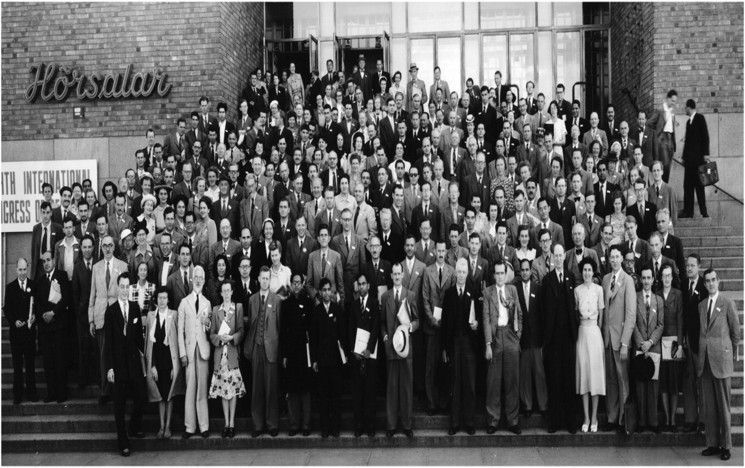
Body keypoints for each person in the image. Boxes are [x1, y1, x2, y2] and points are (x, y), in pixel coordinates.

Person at [697, 268, 740, 461]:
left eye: (714, 280)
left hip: (721, 360)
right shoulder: (702, 305)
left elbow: (735, 332)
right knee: (710, 406)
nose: (711, 283)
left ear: (718, 281)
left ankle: (726, 445)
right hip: (706, 360)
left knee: (723, 405)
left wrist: (728, 353)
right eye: (707, 281)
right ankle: (713, 443)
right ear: (704, 284)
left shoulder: (727, 302)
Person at [103, 273, 146, 457]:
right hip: (118, 365)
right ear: (117, 287)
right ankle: (123, 441)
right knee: (119, 405)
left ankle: (134, 426)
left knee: (141, 397)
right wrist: (110, 368)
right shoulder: (111, 311)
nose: (124, 290)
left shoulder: (135, 308)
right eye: (122, 286)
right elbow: (109, 343)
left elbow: (138, 339)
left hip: (134, 364)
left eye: (128, 286)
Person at [540, 244, 579, 433]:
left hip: (569, 337)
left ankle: (571, 422)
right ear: (551, 258)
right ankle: (554, 422)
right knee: (554, 379)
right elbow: (542, 309)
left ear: (564, 256)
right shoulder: (547, 280)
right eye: (554, 255)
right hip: (553, 339)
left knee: (569, 379)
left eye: (560, 255)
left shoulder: (571, 277)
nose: (557, 258)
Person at [381, 262, 419, 439]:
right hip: (390, 349)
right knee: (391, 388)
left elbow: (417, 320)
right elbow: (382, 322)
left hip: (406, 349)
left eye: (399, 274)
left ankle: (407, 424)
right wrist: (384, 335)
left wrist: (411, 326)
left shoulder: (410, 296)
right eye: (394, 274)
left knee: (405, 388)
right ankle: (391, 425)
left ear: (403, 275)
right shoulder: (385, 297)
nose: (396, 277)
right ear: (391, 276)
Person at [442, 258, 480, 435]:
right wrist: (445, 348)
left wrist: (476, 325)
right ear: (455, 273)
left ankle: (470, 422)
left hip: (469, 343)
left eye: (464, 272)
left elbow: (479, 318)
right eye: (459, 272)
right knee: (455, 383)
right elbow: (444, 324)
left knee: (470, 383)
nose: (461, 275)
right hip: (454, 343)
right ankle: (455, 423)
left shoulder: (473, 291)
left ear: (467, 273)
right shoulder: (449, 294)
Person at [601, 245, 637, 433]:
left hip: (621, 340)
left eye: (617, 256)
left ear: (622, 258)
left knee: (623, 380)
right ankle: (612, 417)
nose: (614, 260)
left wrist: (625, 342)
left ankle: (624, 420)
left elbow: (631, 314)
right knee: (611, 380)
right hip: (607, 339)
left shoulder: (628, 280)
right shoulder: (606, 279)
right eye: (611, 257)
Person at [245, 266, 282, 437]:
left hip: (271, 349)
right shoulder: (252, 300)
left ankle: (272, 424)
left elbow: (279, 326)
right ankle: (258, 425)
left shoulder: (276, 300)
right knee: (257, 388)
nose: (265, 281)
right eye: (263, 278)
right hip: (256, 348)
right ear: (258, 279)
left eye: (268, 278)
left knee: (271, 388)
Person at [177, 265, 212, 439]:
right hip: (190, 351)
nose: (198, 279)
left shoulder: (207, 303)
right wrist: (182, 353)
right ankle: (190, 426)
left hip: (203, 350)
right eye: (196, 277)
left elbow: (209, 328)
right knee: (190, 388)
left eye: (201, 277)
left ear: (204, 280)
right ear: (192, 280)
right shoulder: (184, 302)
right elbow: (180, 331)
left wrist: (208, 323)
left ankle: (204, 426)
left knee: (202, 388)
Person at [309, 278, 347, 438]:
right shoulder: (316, 311)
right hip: (322, 361)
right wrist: (314, 360)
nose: (326, 292)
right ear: (319, 292)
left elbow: (343, 335)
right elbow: (313, 338)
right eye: (323, 290)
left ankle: (335, 427)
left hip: (336, 360)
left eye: (328, 290)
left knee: (335, 395)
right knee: (323, 396)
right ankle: (325, 428)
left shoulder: (338, 309)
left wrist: (343, 357)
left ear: (332, 292)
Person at [208, 281, 246, 439]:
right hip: (220, 355)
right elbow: (211, 334)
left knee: (233, 392)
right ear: (221, 293)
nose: (226, 293)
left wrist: (232, 337)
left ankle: (232, 423)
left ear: (232, 292)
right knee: (224, 392)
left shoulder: (237, 308)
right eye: (223, 291)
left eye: (228, 290)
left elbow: (241, 330)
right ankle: (226, 424)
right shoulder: (216, 310)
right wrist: (219, 338)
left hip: (231, 354)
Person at [421, 241, 455, 415]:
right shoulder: (428, 271)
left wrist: (446, 322)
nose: (441, 253)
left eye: (443, 250)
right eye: (438, 250)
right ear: (434, 251)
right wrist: (432, 319)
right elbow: (425, 298)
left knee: (446, 365)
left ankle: (445, 402)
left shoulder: (452, 271)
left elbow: (453, 298)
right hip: (432, 327)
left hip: (447, 328)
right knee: (431, 366)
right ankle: (432, 402)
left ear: (446, 252)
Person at [145, 287, 183, 439]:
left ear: (168, 300)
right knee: (160, 395)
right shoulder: (150, 316)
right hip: (157, 362)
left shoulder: (173, 315)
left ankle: (168, 426)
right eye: (159, 298)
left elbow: (176, 341)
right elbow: (148, 344)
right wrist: (152, 365)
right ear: (156, 299)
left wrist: (176, 366)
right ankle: (161, 426)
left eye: (164, 298)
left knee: (169, 395)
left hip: (170, 362)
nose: (162, 301)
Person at [280, 273, 314, 436]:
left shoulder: (308, 302)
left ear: (302, 284)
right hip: (291, 352)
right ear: (291, 284)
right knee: (292, 390)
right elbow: (283, 331)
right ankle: (294, 424)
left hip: (305, 350)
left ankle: (306, 425)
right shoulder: (285, 304)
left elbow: (312, 329)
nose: (296, 285)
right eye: (294, 283)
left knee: (305, 390)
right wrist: (284, 355)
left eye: (299, 283)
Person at [35, 251, 71, 403]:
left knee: (60, 361)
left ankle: (61, 394)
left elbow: (67, 298)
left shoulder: (62, 276)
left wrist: (53, 313)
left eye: (48, 260)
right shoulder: (40, 280)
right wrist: (44, 315)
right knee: (48, 362)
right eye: (43, 261)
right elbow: (37, 302)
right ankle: (51, 393)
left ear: (54, 260)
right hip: (45, 328)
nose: (46, 263)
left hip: (59, 327)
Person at [574, 258, 605, 433]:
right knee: (584, 375)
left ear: (593, 272)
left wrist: (596, 331)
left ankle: (594, 417)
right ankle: (586, 417)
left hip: (594, 332)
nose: (587, 273)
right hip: (581, 333)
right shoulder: (577, 291)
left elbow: (601, 316)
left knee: (595, 375)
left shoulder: (599, 290)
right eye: (584, 270)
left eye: (590, 270)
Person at [348, 273, 380, 437]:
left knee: (370, 392)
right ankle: (358, 426)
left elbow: (375, 328)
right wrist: (355, 351)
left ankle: (370, 426)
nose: (361, 287)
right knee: (358, 392)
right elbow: (351, 330)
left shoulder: (374, 304)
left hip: (370, 355)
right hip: (356, 355)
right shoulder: (353, 305)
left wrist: (369, 349)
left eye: (363, 284)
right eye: (359, 284)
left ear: (368, 285)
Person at [3, 258, 38, 404]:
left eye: (25, 269)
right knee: (17, 365)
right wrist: (14, 321)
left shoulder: (33, 285)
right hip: (16, 333)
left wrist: (34, 316)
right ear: (16, 270)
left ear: (27, 269)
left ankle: (31, 394)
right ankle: (17, 395)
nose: (23, 273)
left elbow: (37, 306)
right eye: (20, 270)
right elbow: (7, 309)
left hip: (29, 332)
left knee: (30, 364)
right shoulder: (10, 287)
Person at [515, 258, 547, 417]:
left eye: (527, 269)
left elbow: (542, 315)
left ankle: (543, 405)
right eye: (523, 270)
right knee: (525, 374)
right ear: (520, 272)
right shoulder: (515, 289)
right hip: (522, 338)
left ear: (531, 271)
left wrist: (542, 340)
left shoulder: (538, 289)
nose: (525, 272)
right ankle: (527, 406)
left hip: (537, 339)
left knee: (540, 373)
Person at [634, 267, 664, 433]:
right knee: (640, 385)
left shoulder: (658, 300)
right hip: (639, 348)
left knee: (653, 386)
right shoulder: (635, 298)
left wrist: (650, 342)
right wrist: (641, 343)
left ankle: (653, 422)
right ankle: (641, 422)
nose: (646, 281)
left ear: (653, 280)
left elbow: (661, 325)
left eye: (648, 278)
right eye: (643, 278)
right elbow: (633, 323)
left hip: (654, 347)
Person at [682, 253, 707, 433]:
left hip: (700, 340)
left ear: (698, 266)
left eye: (692, 265)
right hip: (687, 340)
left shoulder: (704, 287)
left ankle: (704, 420)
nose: (689, 268)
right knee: (689, 381)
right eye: (687, 265)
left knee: (701, 381)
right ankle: (690, 419)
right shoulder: (684, 285)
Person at [658, 264, 684, 432]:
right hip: (660, 343)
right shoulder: (657, 294)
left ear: (672, 278)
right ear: (660, 278)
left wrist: (680, 344)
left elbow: (681, 320)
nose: (666, 279)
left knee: (673, 382)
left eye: (669, 276)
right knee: (663, 382)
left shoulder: (678, 294)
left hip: (674, 342)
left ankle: (673, 420)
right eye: (664, 276)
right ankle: (666, 418)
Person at [680, 99, 709, 218]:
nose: (684, 110)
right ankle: (688, 211)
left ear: (689, 107)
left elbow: (705, 137)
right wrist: (683, 157)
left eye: (685, 108)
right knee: (688, 186)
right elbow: (687, 143)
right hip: (689, 162)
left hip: (698, 162)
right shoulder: (688, 122)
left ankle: (704, 212)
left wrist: (706, 154)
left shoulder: (700, 118)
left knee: (699, 187)